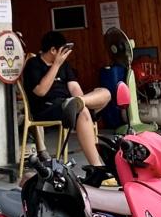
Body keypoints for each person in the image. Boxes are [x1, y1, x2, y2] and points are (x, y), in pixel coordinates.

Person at [22, 31, 112, 178]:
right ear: (53, 50)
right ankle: (97, 168)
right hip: (47, 107)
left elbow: (74, 87)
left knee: (105, 92)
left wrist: (81, 100)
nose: (65, 55)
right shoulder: (34, 64)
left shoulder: (65, 65)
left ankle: (79, 103)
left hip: (70, 103)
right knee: (82, 111)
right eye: (62, 50)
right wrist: (56, 65)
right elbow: (41, 91)